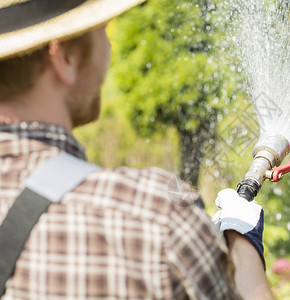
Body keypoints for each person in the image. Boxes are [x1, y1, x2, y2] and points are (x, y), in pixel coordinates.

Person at [0, 0, 274, 299]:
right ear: (65, 57)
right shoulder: (155, 218)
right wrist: (241, 242)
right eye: (102, 31)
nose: (108, 49)